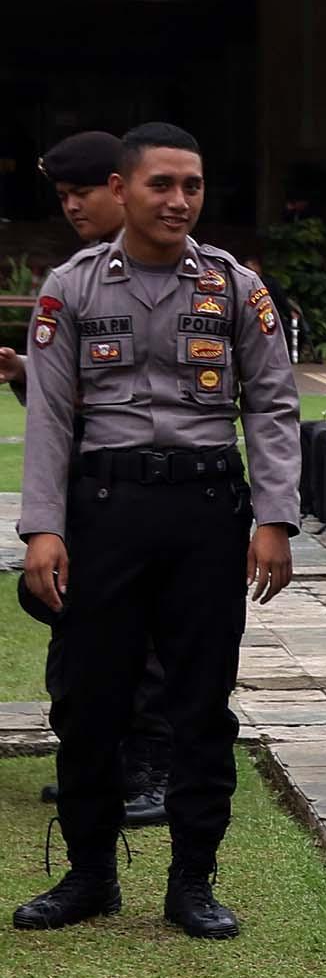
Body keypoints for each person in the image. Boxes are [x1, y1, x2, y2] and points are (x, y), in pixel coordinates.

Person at [11, 123, 301, 937]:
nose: (179, 201)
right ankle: (89, 876)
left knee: (200, 705)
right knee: (90, 702)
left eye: (192, 186)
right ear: (123, 188)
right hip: (104, 512)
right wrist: (42, 528)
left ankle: (192, 882)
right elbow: (50, 419)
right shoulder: (71, 287)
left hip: (206, 512)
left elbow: (272, 404)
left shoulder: (235, 287)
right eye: (161, 185)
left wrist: (276, 518)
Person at [7, 131, 177, 831]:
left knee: (150, 636)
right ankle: (95, 759)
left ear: (119, 188)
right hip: (85, 488)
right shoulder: (75, 279)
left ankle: (153, 768)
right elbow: (67, 403)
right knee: (72, 619)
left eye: (82, 192)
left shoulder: (170, 274)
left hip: (151, 487)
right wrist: (26, 373)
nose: (72, 206)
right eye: (62, 195)